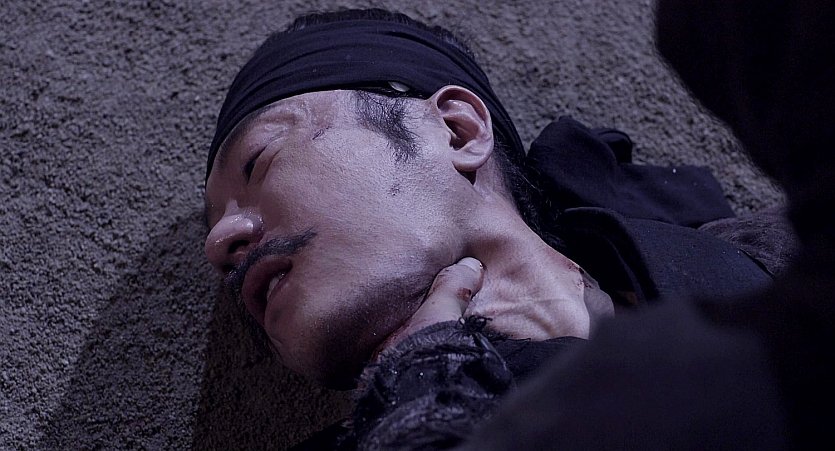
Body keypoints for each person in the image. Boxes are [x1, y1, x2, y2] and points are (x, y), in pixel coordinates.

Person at [202, 9, 785, 448]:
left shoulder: (788, 266)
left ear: (457, 130)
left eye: (259, 161)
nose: (219, 242)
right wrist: (423, 393)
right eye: (218, 229)